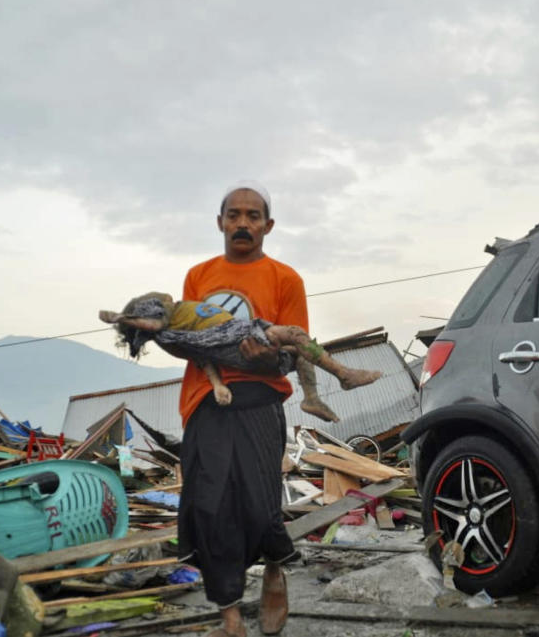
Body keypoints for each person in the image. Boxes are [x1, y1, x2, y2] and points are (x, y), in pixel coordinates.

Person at [174, 180, 305, 637]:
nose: (243, 224)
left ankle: (273, 570)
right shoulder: (198, 276)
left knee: (259, 501)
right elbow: (188, 337)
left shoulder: (285, 279)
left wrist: (268, 359)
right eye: (235, 215)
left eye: (253, 216)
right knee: (208, 506)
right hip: (206, 399)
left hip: (259, 398)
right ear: (220, 223)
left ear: (268, 226)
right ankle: (230, 615)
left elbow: (297, 350)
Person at [99, 292, 382, 423]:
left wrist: (218, 386)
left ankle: (311, 398)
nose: (165, 299)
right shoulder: (168, 332)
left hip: (236, 333)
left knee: (301, 352)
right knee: (295, 334)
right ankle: (345, 376)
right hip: (234, 338)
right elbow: (201, 356)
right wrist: (122, 318)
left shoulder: (178, 317)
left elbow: (199, 354)